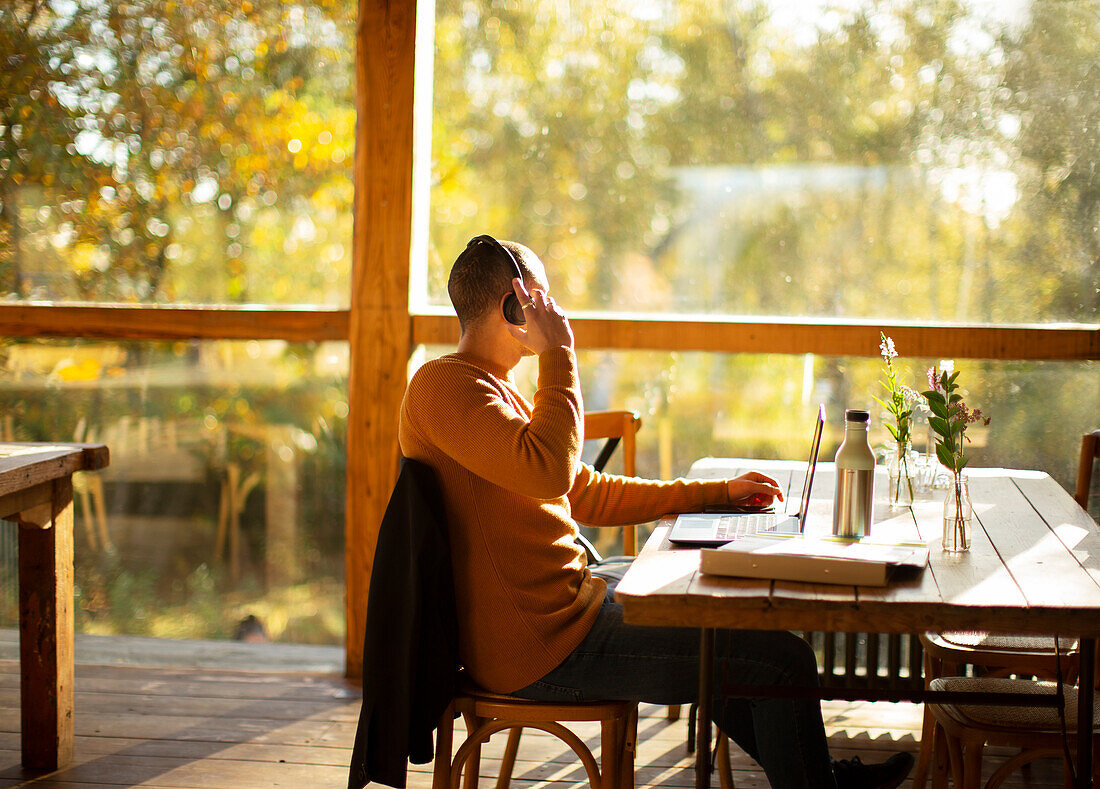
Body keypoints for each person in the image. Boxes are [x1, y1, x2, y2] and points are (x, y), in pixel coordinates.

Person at [398, 236, 914, 789]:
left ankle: (818, 779)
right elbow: (549, 471)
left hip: (570, 605)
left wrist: (713, 493)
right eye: (544, 299)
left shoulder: (495, 388)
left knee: (723, 619)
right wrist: (558, 353)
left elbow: (586, 492)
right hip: (540, 648)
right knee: (781, 662)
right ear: (515, 304)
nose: (556, 312)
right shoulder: (444, 387)